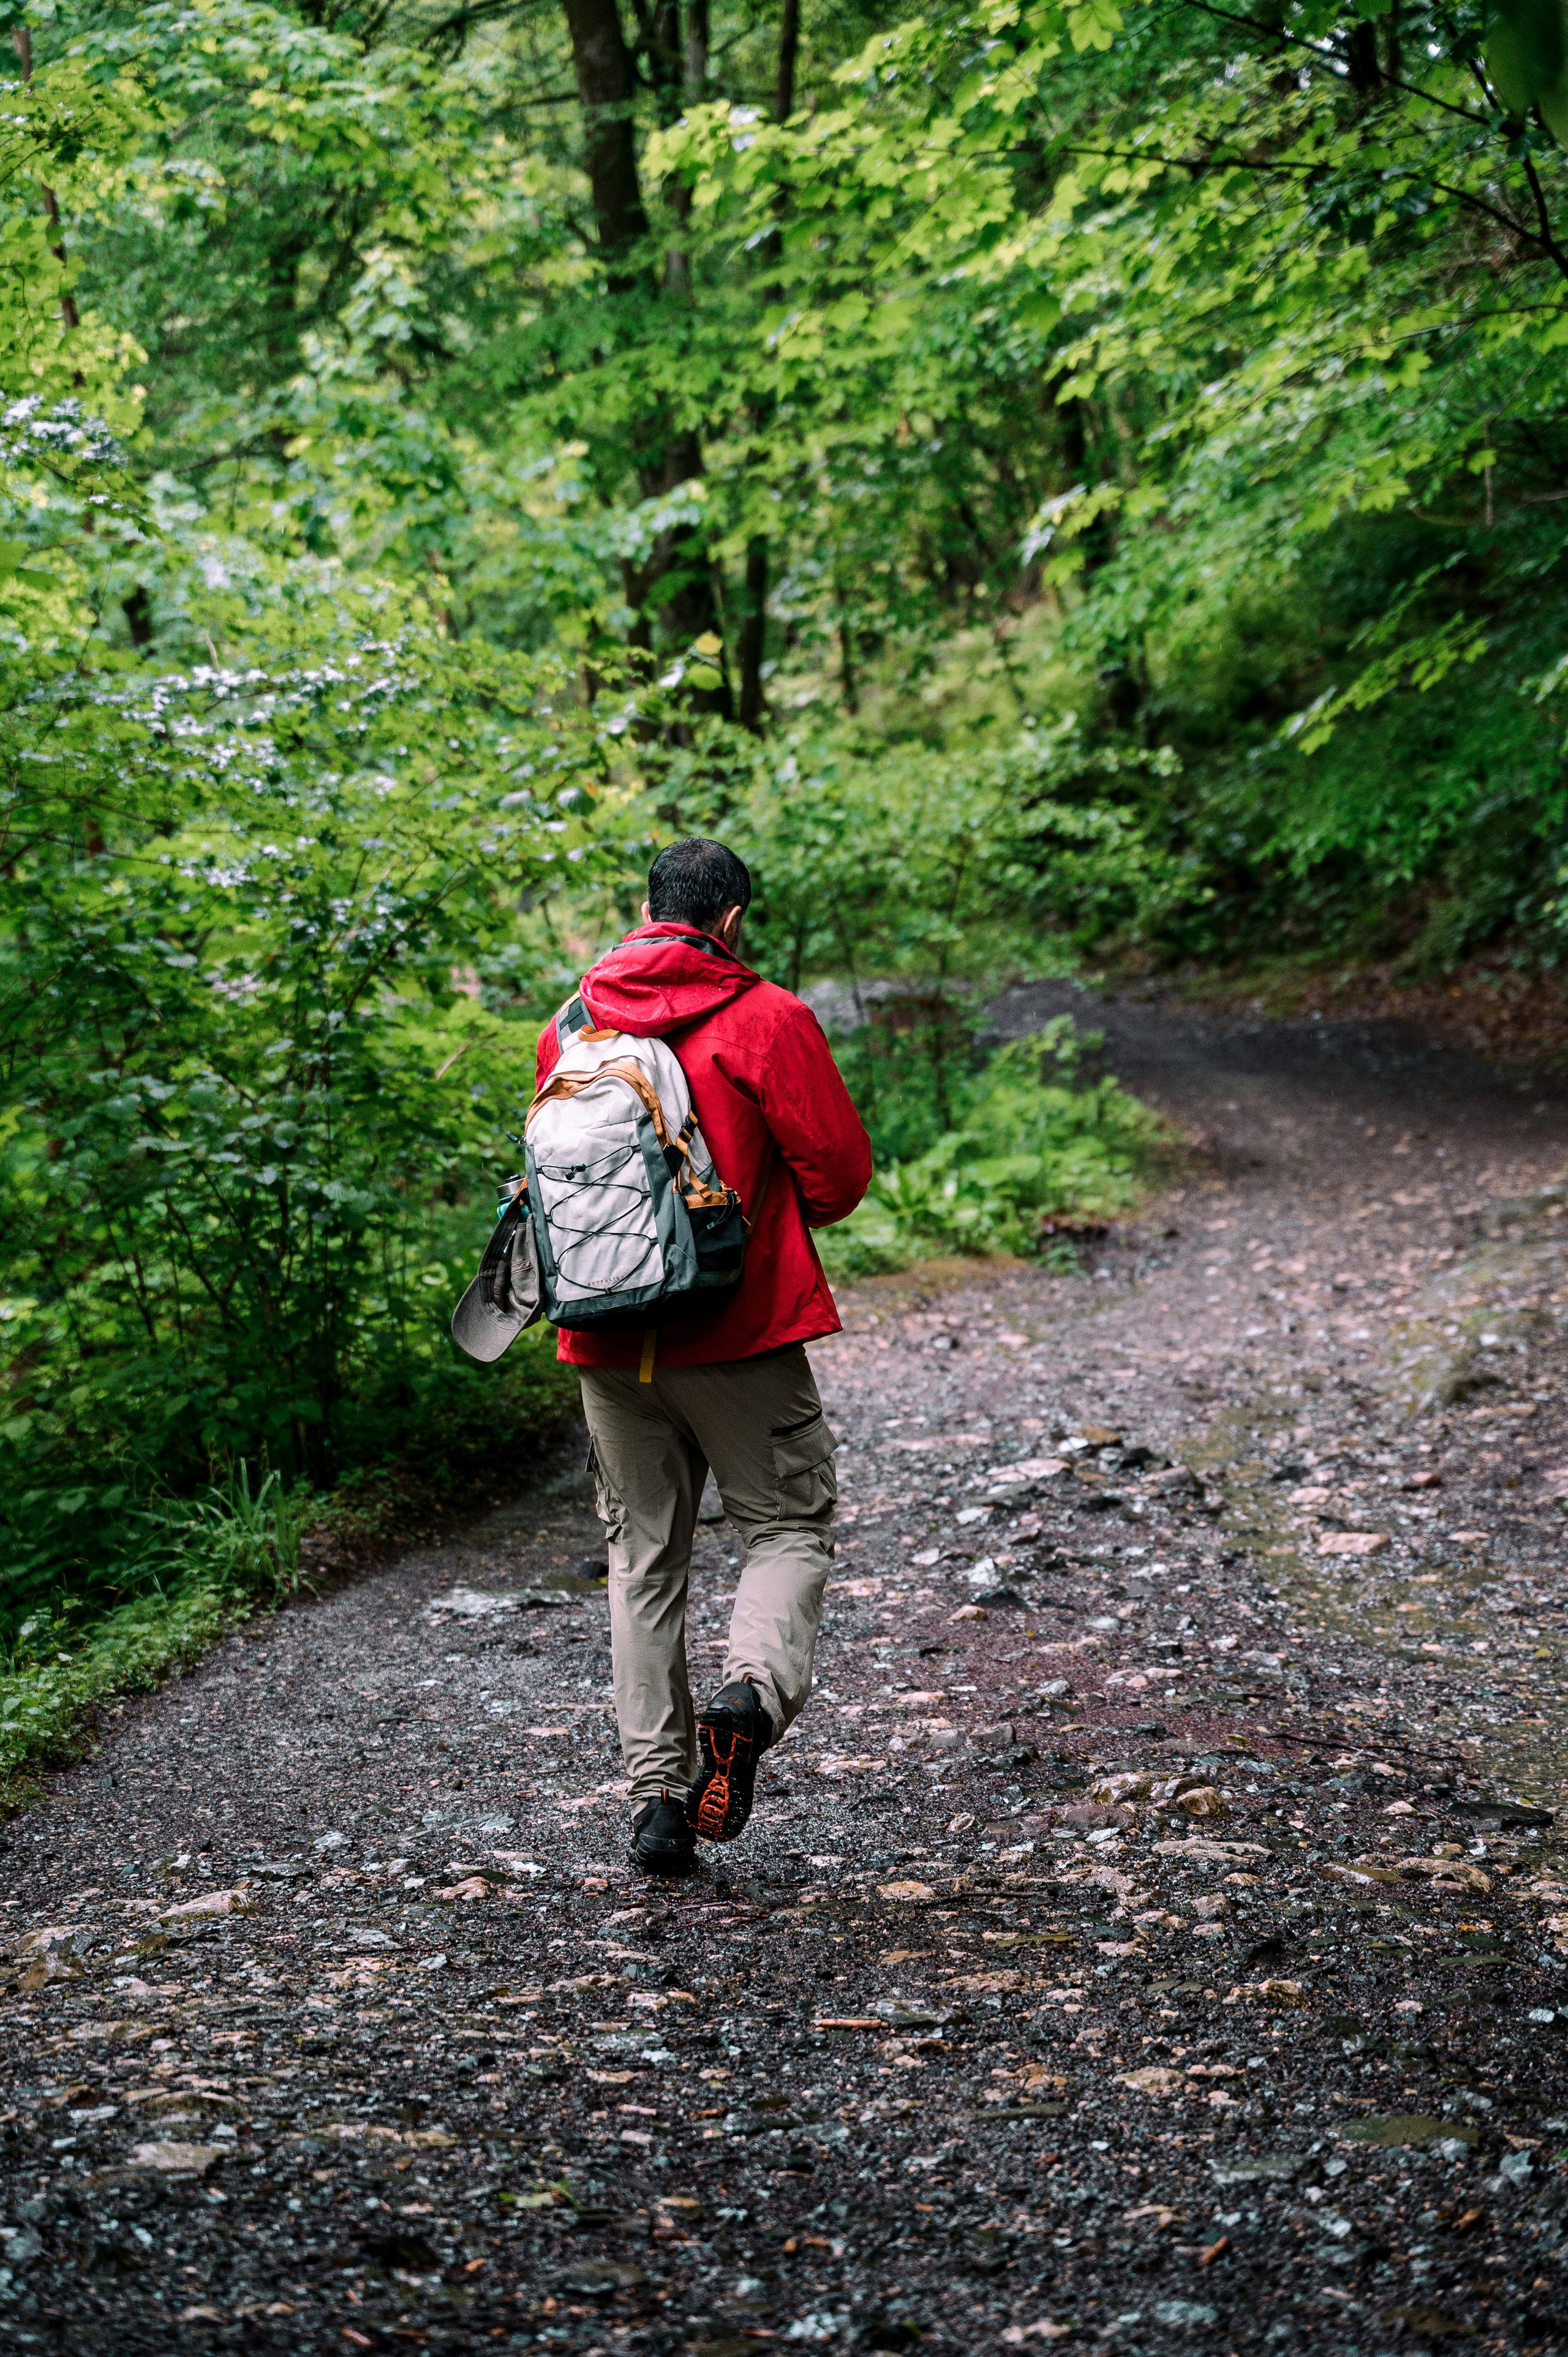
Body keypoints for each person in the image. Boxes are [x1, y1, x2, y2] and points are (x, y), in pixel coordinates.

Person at [533, 838, 872, 1877]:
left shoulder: (571, 1025)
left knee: (642, 1559)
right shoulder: (768, 1017)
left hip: (606, 1338)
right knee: (786, 1527)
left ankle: (657, 1803)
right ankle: (750, 1700)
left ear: (645, 910)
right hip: (737, 1333)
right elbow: (840, 1175)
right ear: (730, 923)